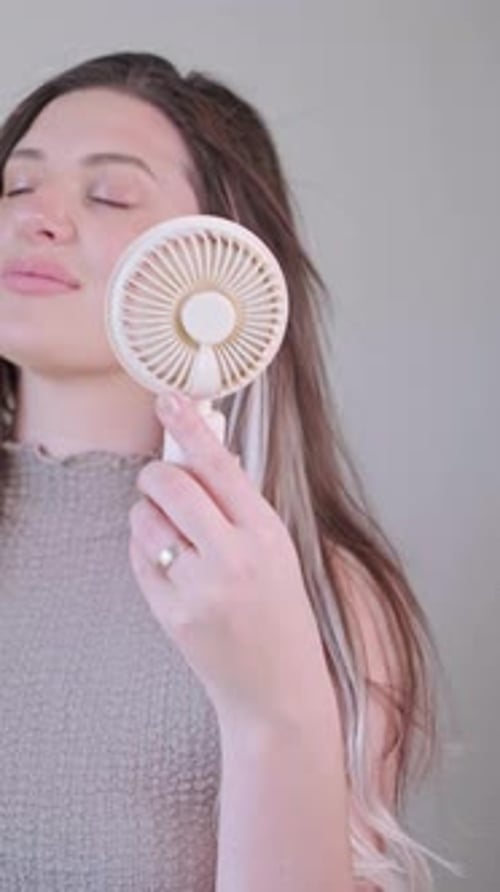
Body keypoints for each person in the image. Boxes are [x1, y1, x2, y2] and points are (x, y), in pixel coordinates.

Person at [0, 51, 440, 891]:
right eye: (16, 187)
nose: (37, 218)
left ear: (226, 262)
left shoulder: (327, 601)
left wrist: (270, 707)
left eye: (110, 194)